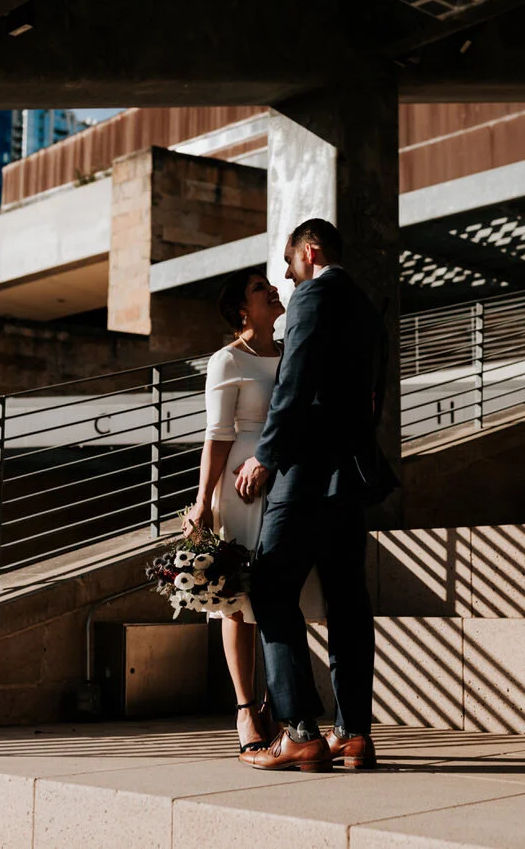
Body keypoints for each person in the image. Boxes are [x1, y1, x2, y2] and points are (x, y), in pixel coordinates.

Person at [234, 218, 397, 772]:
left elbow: (295, 387)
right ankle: (353, 734)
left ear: (310, 250)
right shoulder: (368, 308)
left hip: (304, 475)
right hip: (350, 477)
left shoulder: (311, 298)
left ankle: (300, 731)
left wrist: (266, 456)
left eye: (288, 263)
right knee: (348, 601)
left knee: (272, 587)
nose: (285, 276)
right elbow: (377, 397)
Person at [182, 267, 325, 755]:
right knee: (237, 603)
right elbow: (216, 436)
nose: (272, 289)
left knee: (279, 599)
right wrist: (203, 501)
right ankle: (245, 710)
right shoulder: (227, 360)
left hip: (285, 486)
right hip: (241, 492)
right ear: (243, 309)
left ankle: (276, 706)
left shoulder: (290, 356)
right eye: (260, 288)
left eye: (270, 284)